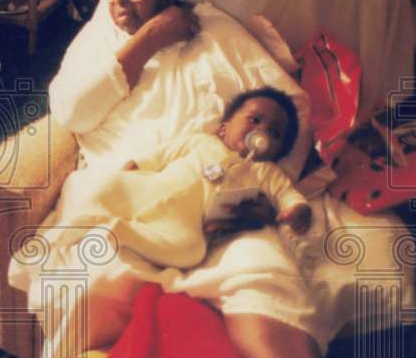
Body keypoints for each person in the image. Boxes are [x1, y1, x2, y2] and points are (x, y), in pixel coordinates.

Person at [14, 0, 395, 358]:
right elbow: (70, 111)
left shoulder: (220, 34)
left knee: (263, 266)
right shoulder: (104, 30)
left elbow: (294, 112)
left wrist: (256, 189)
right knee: (92, 274)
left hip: (228, 203)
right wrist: (148, 39)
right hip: (135, 198)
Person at [41, 86, 312, 273]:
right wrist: (130, 170)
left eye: (274, 133)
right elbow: (154, 157)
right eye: (254, 119)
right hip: (150, 188)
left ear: (278, 152)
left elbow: (287, 194)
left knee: (191, 251)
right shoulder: (201, 141)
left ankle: (118, 232)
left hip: (185, 220)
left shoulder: (266, 173)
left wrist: (297, 209)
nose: (261, 130)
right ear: (223, 127)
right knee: (105, 186)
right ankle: (63, 235)